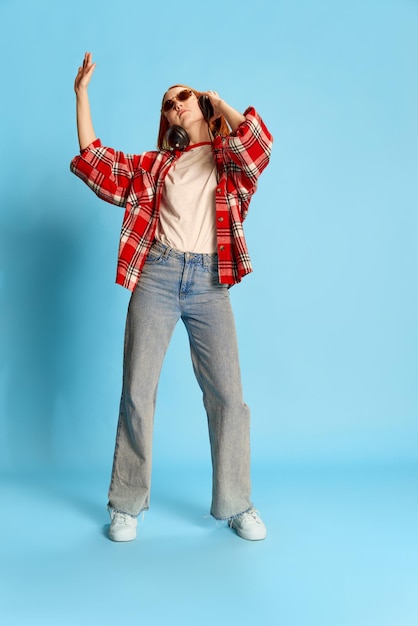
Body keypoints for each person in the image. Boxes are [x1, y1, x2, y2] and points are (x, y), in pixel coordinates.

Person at [70, 52, 273, 542]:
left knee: (228, 397)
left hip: (209, 284)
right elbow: (98, 164)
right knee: (138, 392)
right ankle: (126, 505)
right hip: (158, 275)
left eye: (182, 97)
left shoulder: (229, 163)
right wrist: (81, 95)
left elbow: (258, 146)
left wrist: (217, 101)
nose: (174, 105)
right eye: (167, 103)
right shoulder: (156, 165)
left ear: (199, 104)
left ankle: (236, 503)